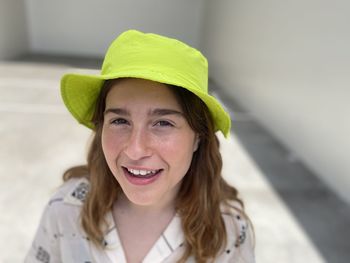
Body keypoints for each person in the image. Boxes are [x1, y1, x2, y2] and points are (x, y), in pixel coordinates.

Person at [25, 30, 255, 263]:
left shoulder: (230, 232)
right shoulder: (66, 209)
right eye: (120, 121)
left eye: (163, 123)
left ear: (198, 137)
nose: (135, 150)